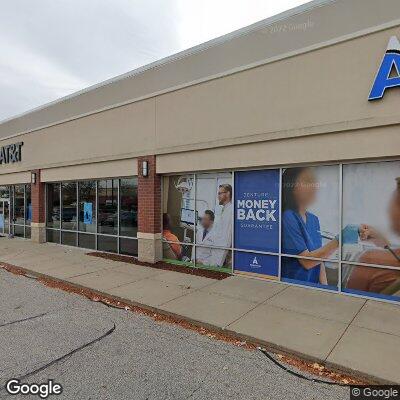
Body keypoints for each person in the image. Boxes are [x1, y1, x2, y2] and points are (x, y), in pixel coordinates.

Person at [281, 167, 339, 285]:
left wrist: (325, 287)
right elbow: (307, 262)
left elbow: (319, 257)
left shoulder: (314, 219)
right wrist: (339, 240)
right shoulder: (287, 217)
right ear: (292, 188)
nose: (315, 186)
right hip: (293, 286)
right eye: (308, 181)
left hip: (313, 286)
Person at [346, 177, 400, 293]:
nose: (388, 210)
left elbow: (348, 301)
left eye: (394, 201)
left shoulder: (370, 260)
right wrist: (384, 242)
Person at [209, 184, 233, 267]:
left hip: (221, 257)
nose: (218, 196)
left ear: (228, 193)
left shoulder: (230, 211)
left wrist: (218, 262)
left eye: (220, 193)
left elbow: (226, 238)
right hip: (216, 251)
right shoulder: (223, 209)